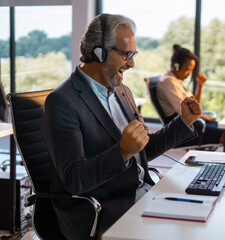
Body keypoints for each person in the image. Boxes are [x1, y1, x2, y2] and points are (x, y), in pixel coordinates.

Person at [41, 14, 202, 240]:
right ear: (99, 52)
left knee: (198, 220)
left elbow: (142, 149)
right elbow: (74, 180)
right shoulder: (63, 101)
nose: (132, 63)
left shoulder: (121, 91)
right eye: (126, 54)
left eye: (133, 54)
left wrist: (183, 121)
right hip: (103, 210)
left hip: (141, 194)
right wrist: (122, 152)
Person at [157, 44, 225, 153]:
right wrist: (206, 118)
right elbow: (184, 112)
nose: (189, 74)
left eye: (191, 71)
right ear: (176, 65)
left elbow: (195, 106)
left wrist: (200, 85)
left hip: (195, 122)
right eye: (187, 70)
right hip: (186, 127)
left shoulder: (176, 81)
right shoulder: (168, 82)